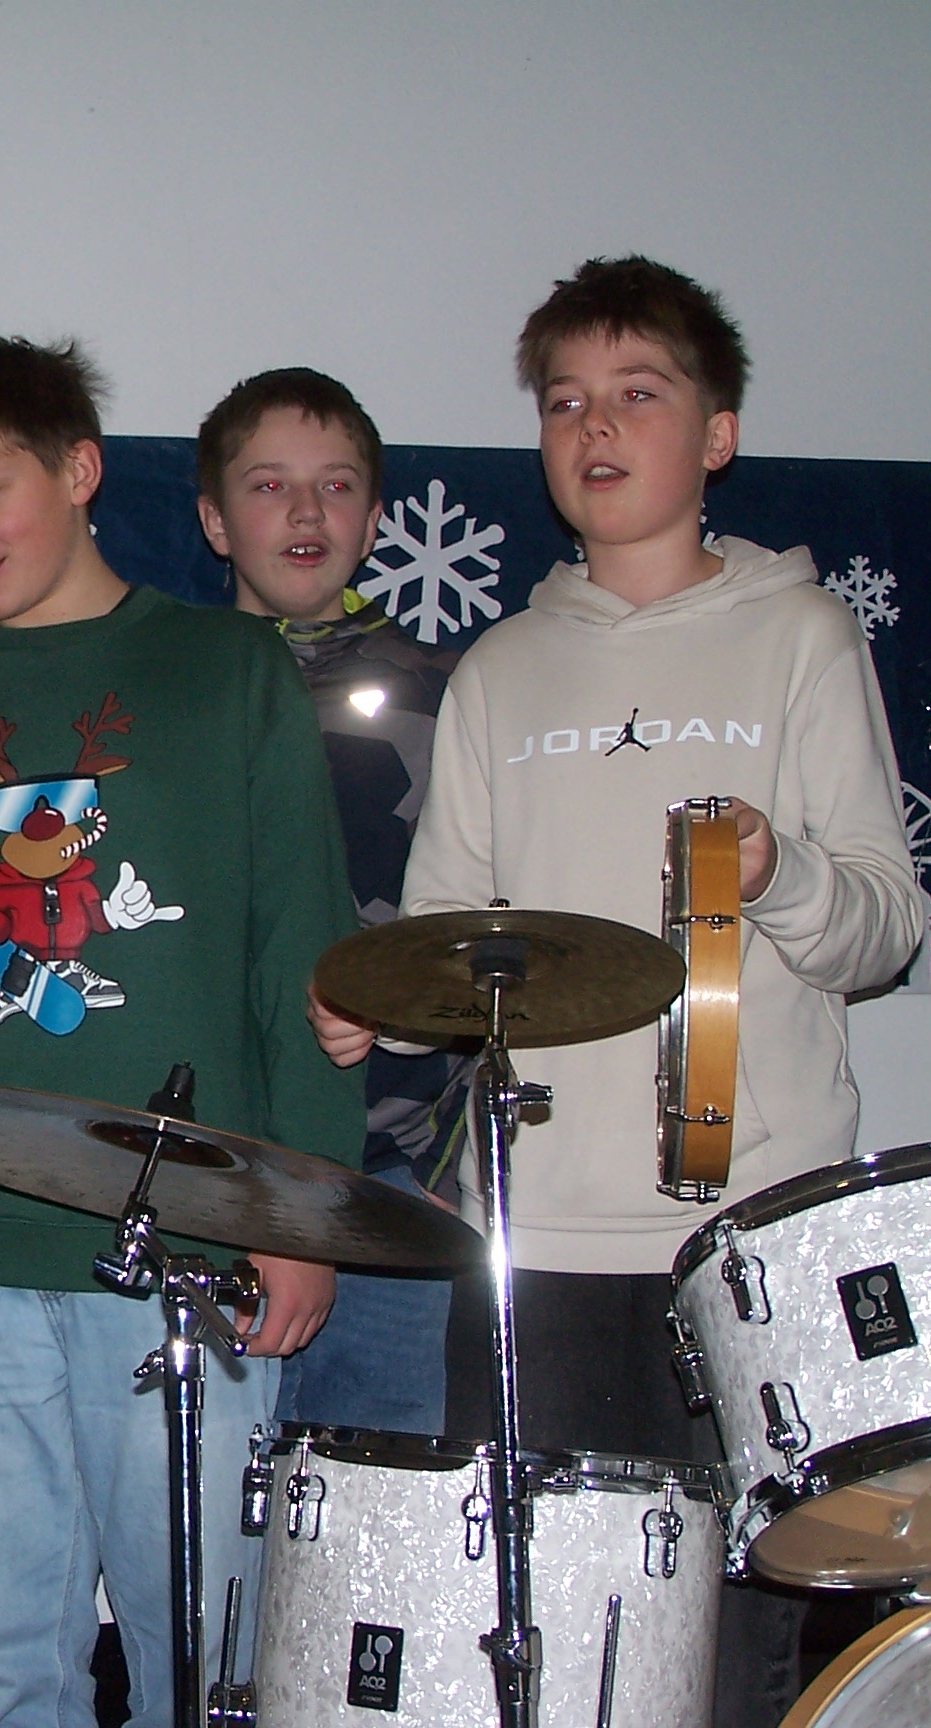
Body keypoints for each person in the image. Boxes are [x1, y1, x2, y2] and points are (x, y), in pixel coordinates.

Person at [309, 255, 922, 1728]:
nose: (594, 427)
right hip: (533, 1237)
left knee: (733, 1656)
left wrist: (778, 872)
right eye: (565, 401)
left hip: (746, 1243)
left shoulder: (801, 634)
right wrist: (384, 1003)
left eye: (638, 395)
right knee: (546, 1642)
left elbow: (888, 931)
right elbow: (450, 935)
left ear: (717, 433)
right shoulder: (502, 668)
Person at [0, 335, 364, 1728]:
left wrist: (305, 1214)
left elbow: (298, 953)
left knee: (206, 1639)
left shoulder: (229, 669)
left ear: (79, 471)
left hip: (184, 1241)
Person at [195, 366, 465, 1436]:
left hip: (393, 1178)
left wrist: (455, 1168)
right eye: (269, 486)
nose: (306, 513)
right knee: (202, 1519)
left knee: (371, 1509)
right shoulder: (166, 695)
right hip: (201, 1176)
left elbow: (496, 938)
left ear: (375, 516)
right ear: (216, 521)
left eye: (336, 485)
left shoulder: (455, 695)